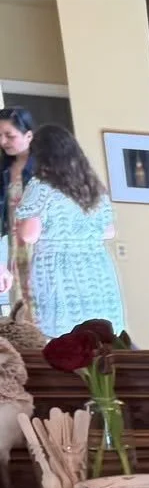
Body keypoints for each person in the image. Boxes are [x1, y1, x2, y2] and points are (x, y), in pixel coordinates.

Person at [17, 123, 124, 336]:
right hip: (96, 268)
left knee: (63, 337)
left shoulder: (40, 187)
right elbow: (108, 231)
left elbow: (29, 235)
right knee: (102, 336)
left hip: (58, 268)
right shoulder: (92, 186)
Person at [0, 107, 37, 326]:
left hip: (41, 246)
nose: (3, 141)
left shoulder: (46, 169)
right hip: (14, 247)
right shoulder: (4, 169)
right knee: (20, 312)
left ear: (29, 135)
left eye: (9, 135)